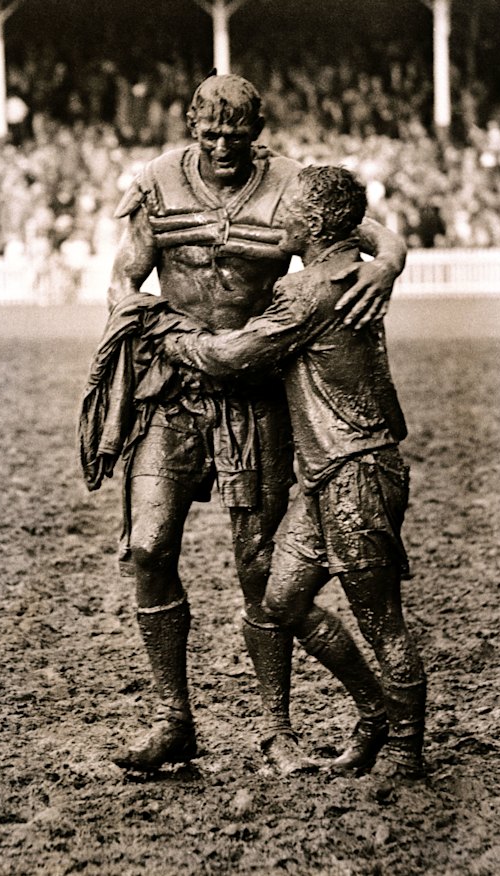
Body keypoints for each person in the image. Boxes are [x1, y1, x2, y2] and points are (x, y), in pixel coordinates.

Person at [91, 73, 407, 775]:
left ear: (257, 129)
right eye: (210, 132)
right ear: (190, 126)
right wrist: (131, 312)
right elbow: (125, 272)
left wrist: (386, 267)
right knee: (147, 548)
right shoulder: (156, 181)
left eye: (237, 133)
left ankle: (275, 730)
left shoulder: (291, 183)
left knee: (257, 568)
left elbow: (373, 233)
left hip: (255, 393)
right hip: (170, 391)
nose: (223, 144)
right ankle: (173, 720)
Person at [164, 165, 427, 783]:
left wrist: (172, 338)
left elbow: (233, 355)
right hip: (328, 474)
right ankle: (374, 714)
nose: (277, 216)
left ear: (310, 224)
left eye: (288, 210)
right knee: (280, 601)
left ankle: (407, 750)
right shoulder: (344, 271)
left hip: (355, 470)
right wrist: (389, 256)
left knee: (381, 618)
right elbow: (365, 233)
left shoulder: (308, 292)